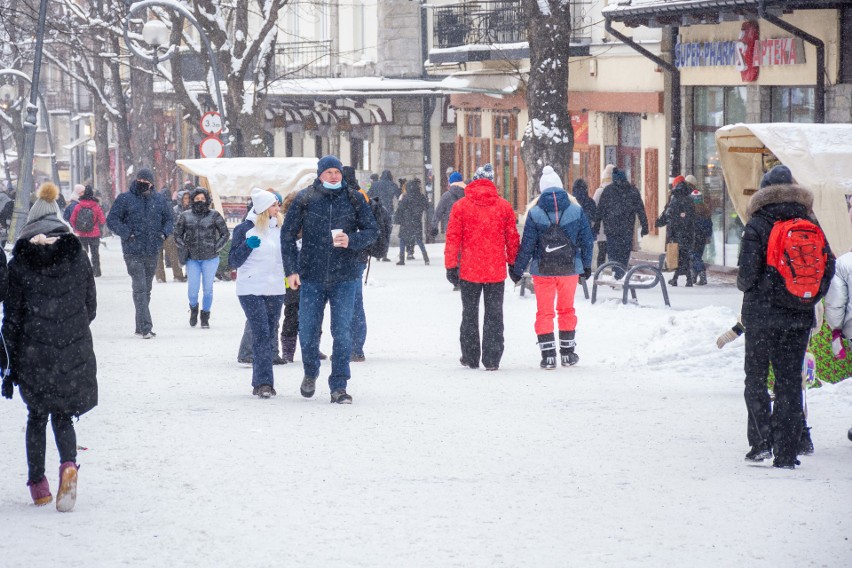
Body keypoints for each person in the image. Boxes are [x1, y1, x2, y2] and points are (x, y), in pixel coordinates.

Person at [1, 181, 97, 512]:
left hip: (33, 351)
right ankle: (68, 464)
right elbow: (91, 306)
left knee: (36, 415)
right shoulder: (77, 257)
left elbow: (11, 317)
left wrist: (9, 360)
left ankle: (38, 485)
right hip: (71, 348)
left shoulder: (19, 263)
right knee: (63, 414)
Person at [737, 164, 835, 469]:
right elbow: (827, 266)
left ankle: (760, 443)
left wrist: (763, 288)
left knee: (755, 378)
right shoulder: (809, 219)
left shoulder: (757, 223)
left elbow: (745, 276)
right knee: (790, 382)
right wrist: (806, 296)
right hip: (797, 316)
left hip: (760, 317)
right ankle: (786, 452)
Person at [281, 155, 378, 404]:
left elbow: (372, 230)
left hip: (345, 276)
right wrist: (291, 270)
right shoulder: (305, 198)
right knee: (308, 330)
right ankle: (310, 372)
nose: (334, 176)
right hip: (311, 276)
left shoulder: (354, 198)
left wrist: (352, 240)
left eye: (337, 172)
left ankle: (339, 385)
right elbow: (287, 234)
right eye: (329, 172)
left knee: (342, 332)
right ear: (320, 174)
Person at [513, 166, 594, 369]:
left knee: (544, 311)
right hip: (569, 269)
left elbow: (528, 245)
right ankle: (567, 353)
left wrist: (517, 269)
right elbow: (587, 241)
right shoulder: (576, 210)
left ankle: (548, 355)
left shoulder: (535, 212)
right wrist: (585, 265)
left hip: (543, 270)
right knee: (567, 309)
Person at [445, 163, 520, 371]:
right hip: (495, 270)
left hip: (470, 270)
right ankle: (492, 358)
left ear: (474, 180)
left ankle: (470, 356)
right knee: (494, 314)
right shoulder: (503, 206)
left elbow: (453, 238)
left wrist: (451, 265)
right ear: (491, 182)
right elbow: (512, 238)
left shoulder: (461, 206)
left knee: (469, 313)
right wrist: (514, 264)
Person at [228, 188, 286, 398]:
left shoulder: (281, 229)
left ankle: (261, 381)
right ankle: (264, 383)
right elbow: (233, 261)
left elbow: (288, 256)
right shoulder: (244, 229)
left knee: (269, 334)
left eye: (278, 204)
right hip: (251, 289)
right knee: (261, 333)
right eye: (274, 204)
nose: (277, 208)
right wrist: (246, 246)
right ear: (263, 208)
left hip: (276, 289)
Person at [106, 167, 174, 339]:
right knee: (140, 288)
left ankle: (139, 325)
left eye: (146, 182)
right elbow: (112, 219)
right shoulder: (125, 199)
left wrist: (163, 234)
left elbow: (170, 219)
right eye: (140, 180)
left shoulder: (159, 200)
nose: (143, 184)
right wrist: (127, 233)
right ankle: (145, 327)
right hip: (132, 251)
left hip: (152, 249)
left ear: (152, 184)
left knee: (147, 288)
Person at [174, 187, 229, 329]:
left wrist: (215, 247)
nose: (200, 201)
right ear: (193, 200)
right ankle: (193, 309)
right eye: (197, 199)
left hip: (210, 258)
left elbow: (225, 234)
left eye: (202, 199)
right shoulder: (185, 216)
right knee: (192, 290)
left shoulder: (214, 215)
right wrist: (184, 247)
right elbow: (177, 235)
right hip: (192, 259)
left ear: (207, 200)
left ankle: (205, 316)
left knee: (208, 289)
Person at [593, 167, 649, 277]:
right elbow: (641, 210)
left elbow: (600, 210)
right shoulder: (633, 191)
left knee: (613, 253)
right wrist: (644, 226)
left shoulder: (608, 191)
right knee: (624, 253)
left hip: (611, 229)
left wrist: (597, 225)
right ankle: (621, 273)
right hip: (627, 229)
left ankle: (617, 273)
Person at [655, 175, 696, 287]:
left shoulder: (675, 197)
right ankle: (684, 279)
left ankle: (680, 279)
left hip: (677, 232)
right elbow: (692, 215)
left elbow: (669, 214)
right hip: (688, 231)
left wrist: (660, 222)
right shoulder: (690, 197)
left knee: (679, 256)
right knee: (684, 256)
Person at [69, 184, 107, 277]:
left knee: (83, 254)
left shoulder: (78, 206)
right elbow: (102, 220)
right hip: (94, 234)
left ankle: (83, 271)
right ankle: (96, 271)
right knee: (95, 254)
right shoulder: (96, 206)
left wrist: (77, 228)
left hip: (81, 234)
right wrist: (97, 225)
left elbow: (72, 220)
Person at [394, 178, 429, 265]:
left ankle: (402, 259)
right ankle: (426, 258)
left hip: (405, 222)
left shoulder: (405, 197)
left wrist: (397, 220)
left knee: (402, 240)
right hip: (417, 222)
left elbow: (400, 209)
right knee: (419, 240)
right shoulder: (421, 197)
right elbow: (427, 207)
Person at [686, 175, 712, 286]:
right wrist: (708, 236)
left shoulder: (691, 211)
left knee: (693, 255)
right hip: (702, 237)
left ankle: (701, 274)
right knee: (697, 255)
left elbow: (688, 225)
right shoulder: (705, 211)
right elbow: (709, 225)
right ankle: (694, 276)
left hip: (693, 236)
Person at [430, 171, 466, 238]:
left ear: (451, 183)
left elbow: (438, 212)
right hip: (467, 230)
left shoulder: (446, 196)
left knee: (453, 248)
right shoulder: (469, 194)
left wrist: (434, 226)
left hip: (451, 230)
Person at [592, 164, 614, 268]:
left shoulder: (599, 191)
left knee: (602, 252)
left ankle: (599, 272)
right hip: (615, 229)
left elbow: (594, 207)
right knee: (613, 254)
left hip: (602, 227)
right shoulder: (617, 191)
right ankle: (615, 272)